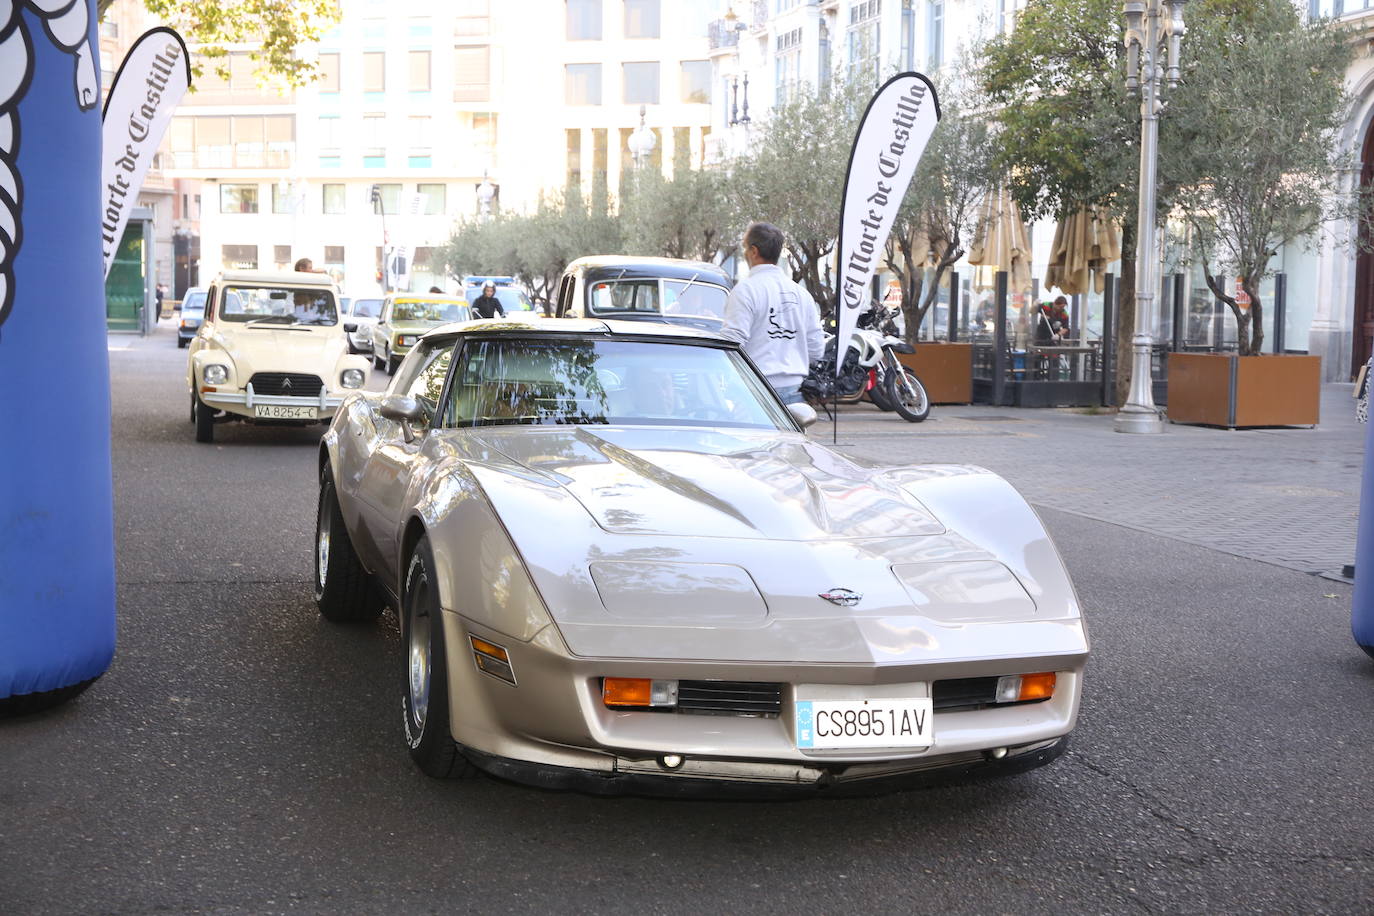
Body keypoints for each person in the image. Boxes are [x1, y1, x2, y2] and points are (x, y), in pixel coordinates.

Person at [721, 222, 824, 404]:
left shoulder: (745, 291)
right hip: (796, 392)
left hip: (755, 391)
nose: (744, 254)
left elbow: (732, 344)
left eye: (745, 248)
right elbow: (816, 350)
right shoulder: (802, 294)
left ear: (754, 251)